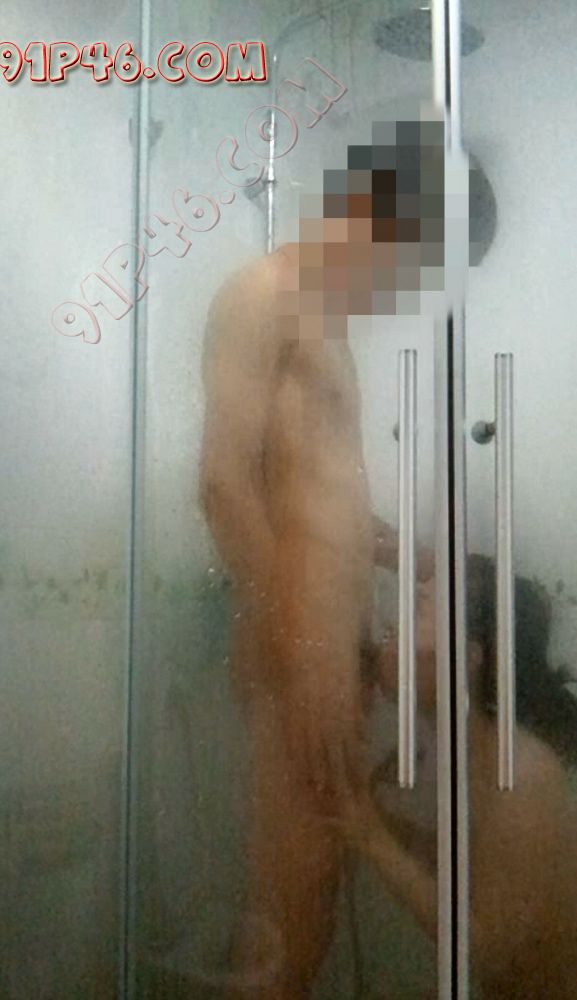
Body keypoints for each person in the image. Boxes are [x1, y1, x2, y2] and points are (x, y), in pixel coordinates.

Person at [199, 120, 443, 998]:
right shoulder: (262, 293)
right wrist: (304, 655)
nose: (398, 278)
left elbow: (317, 493)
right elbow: (221, 484)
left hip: (327, 653)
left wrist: (400, 555)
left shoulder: (325, 325)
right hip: (297, 653)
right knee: (290, 912)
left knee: (313, 900)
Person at [334, 554, 577, 999]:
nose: (394, 629)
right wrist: (379, 822)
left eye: (418, 611)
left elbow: (489, 951)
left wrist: (372, 838)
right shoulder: (476, 750)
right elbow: (475, 872)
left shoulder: (518, 774)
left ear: (466, 659)